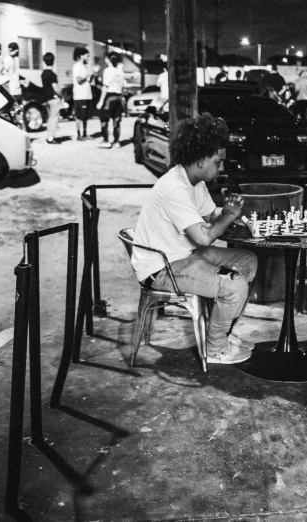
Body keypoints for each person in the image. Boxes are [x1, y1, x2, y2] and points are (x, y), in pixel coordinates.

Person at [130, 113, 258, 365]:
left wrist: (229, 210)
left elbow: (211, 215)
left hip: (183, 256)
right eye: (218, 162)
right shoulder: (174, 188)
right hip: (162, 269)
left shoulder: (194, 181)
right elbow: (204, 236)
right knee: (234, 285)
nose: (221, 167)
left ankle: (221, 333)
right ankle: (215, 348)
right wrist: (229, 216)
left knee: (248, 261)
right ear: (200, 160)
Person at [97, 53, 126, 149]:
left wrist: (101, 101)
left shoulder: (107, 71)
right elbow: (122, 87)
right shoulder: (120, 72)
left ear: (107, 60)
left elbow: (105, 87)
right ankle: (116, 141)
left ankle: (106, 140)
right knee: (116, 120)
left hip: (109, 97)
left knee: (104, 119)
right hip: (118, 97)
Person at [71, 47, 94, 140]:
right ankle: (79, 134)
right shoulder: (77, 66)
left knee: (85, 115)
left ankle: (85, 133)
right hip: (80, 95)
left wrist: (92, 74)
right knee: (79, 115)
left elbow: (89, 80)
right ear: (81, 55)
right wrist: (88, 75)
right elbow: (79, 80)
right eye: (86, 55)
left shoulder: (84, 66)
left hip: (87, 94)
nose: (88, 57)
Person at [40, 52, 63, 145]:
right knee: (54, 118)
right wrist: (61, 95)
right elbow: (56, 88)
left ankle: (49, 135)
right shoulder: (52, 74)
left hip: (46, 98)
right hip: (54, 98)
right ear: (53, 61)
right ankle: (51, 137)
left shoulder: (43, 74)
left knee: (49, 118)